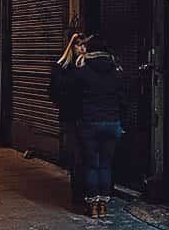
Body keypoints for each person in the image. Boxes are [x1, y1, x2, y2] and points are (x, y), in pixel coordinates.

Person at [49, 34, 123, 219]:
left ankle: (92, 207)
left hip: (89, 123)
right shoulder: (116, 70)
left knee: (91, 164)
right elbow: (123, 98)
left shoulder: (82, 71)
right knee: (106, 165)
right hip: (112, 122)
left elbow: (66, 90)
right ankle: (103, 207)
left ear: (90, 51)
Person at [48, 31, 88, 209]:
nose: (82, 48)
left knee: (87, 157)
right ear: (72, 46)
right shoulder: (61, 67)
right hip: (71, 118)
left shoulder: (89, 67)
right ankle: (78, 199)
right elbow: (53, 92)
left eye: (84, 45)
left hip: (88, 118)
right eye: (79, 44)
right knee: (77, 157)